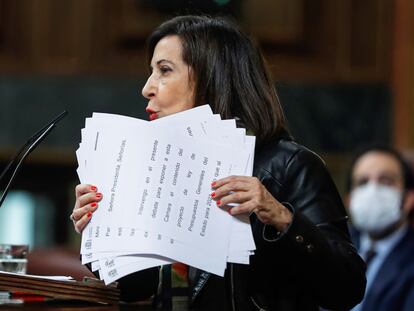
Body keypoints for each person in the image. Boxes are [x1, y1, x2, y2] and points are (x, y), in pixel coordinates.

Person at [70, 15, 366, 310]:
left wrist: (281, 218)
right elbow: (134, 289)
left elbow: (346, 289)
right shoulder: (158, 170)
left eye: (164, 70)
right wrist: (100, 233)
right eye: (151, 72)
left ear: (213, 77)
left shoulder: (290, 165)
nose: (147, 88)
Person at [347, 145, 414, 311]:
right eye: (362, 182)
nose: (372, 190)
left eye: (386, 181)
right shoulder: (334, 245)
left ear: (408, 199)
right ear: (349, 199)